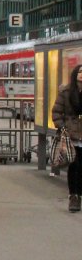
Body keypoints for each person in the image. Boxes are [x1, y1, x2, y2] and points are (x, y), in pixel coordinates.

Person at [52, 64, 82, 212]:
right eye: (80, 72)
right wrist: (62, 127)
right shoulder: (66, 92)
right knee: (74, 165)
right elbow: (57, 112)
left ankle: (79, 194)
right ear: (75, 74)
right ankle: (73, 196)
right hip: (71, 135)